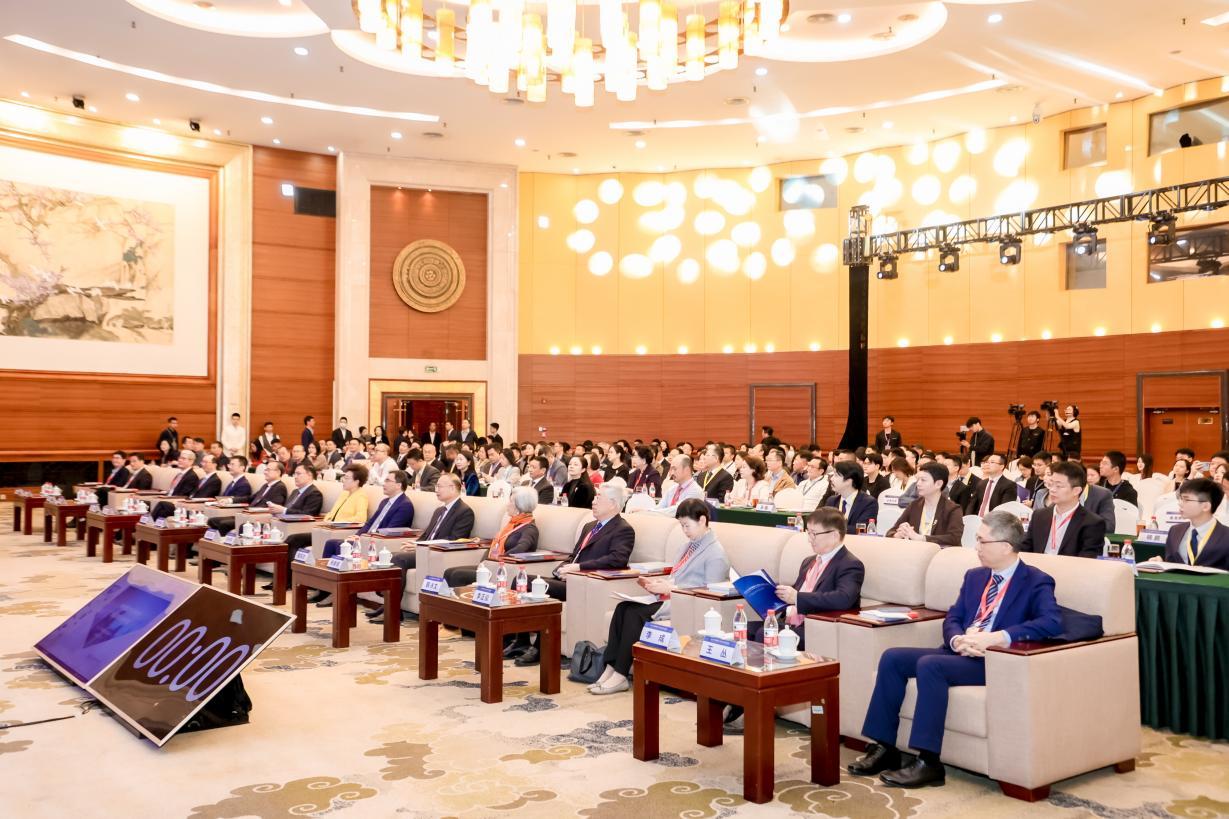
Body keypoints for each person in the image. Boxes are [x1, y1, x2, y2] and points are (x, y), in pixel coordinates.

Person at [850, 510, 1062, 788]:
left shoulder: (1035, 580)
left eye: (982, 541)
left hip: (993, 659)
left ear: (1005, 546)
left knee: (930, 665)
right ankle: (885, 747)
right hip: (960, 651)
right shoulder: (975, 576)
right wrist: (957, 639)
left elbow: (1051, 622)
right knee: (893, 658)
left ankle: (929, 762)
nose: (976, 547)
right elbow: (954, 617)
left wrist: (996, 638)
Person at [589, 498, 731, 695]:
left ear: (702, 520)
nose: (684, 531)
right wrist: (657, 585)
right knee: (623, 608)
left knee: (635, 614)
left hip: (686, 604)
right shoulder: (688, 546)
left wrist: (671, 589)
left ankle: (620, 674)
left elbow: (709, 593)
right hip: (669, 597)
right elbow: (676, 577)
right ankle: (610, 668)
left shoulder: (715, 553)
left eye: (687, 525)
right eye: (681, 526)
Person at [514, 484, 635, 666]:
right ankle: (520, 639)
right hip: (568, 579)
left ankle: (538, 646)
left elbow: (617, 560)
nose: (593, 502)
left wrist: (578, 568)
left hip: (585, 584)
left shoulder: (623, 529)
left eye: (598, 498)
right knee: (520, 581)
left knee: (529, 583)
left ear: (613, 504)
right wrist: (562, 569)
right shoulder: (590, 526)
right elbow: (574, 556)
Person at [373, 474, 475, 624]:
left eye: (439, 486)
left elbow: (455, 540)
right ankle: (388, 606)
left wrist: (422, 546)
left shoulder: (464, 512)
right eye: (436, 486)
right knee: (387, 556)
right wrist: (416, 543)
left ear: (453, 488)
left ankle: (392, 611)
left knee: (398, 558)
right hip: (423, 550)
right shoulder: (439, 510)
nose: (436, 489)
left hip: (435, 552)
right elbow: (427, 534)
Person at [282, 464, 370, 587]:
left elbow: (361, 518)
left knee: (295, 540)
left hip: (338, 531)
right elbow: (332, 513)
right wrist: (327, 520)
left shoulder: (361, 496)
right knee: (293, 539)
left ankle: (289, 581)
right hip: (326, 530)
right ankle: (286, 579)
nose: (343, 480)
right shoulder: (344, 494)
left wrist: (337, 523)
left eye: (347, 478)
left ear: (357, 481)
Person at [444, 487, 540, 591]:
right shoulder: (512, 524)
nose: (507, 504)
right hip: (491, 565)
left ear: (519, 506)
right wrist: (484, 561)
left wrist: (494, 561)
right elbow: (496, 545)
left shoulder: (530, 529)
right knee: (449, 572)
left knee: (456, 575)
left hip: (502, 569)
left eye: (510, 501)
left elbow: (521, 548)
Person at [1021, 461, 1105, 557]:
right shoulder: (1039, 515)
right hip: (1037, 565)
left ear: (1076, 491)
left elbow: (1087, 560)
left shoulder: (1092, 523)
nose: (1052, 490)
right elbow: (1025, 550)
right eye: (1051, 484)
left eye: (1059, 486)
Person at [1149, 478, 1229, 569]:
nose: (1180, 503)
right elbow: (1172, 563)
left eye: (1186, 500)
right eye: (1181, 499)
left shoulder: (1226, 536)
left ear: (1206, 506)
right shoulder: (1175, 531)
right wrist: (1162, 563)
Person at [887, 463, 965, 548]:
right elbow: (891, 532)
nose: (918, 484)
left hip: (941, 554)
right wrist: (898, 535)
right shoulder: (914, 505)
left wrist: (921, 538)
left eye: (923, 480)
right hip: (916, 552)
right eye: (918, 480)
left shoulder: (953, 509)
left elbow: (954, 538)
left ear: (938, 484)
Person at [212, 462, 288, 535]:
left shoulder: (280, 487)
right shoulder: (266, 486)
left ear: (278, 472)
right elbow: (249, 498)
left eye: (268, 470)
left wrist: (254, 511)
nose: (265, 472)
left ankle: (225, 543)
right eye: (265, 470)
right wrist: (230, 500)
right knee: (213, 521)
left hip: (257, 517)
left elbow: (274, 508)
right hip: (246, 515)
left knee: (224, 524)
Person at [824, 461, 879, 531]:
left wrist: (833, 528)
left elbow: (862, 529)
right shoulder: (832, 501)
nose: (831, 479)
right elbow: (824, 524)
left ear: (849, 481)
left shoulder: (868, 503)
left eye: (836, 475)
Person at [963, 452, 1016, 517]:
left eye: (992, 462)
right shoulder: (981, 483)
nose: (987, 464)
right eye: (987, 462)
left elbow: (1005, 510)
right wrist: (967, 518)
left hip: (994, 520)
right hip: (977, 519)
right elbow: (972, 504)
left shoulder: (1009, 485)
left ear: (1001, 466)